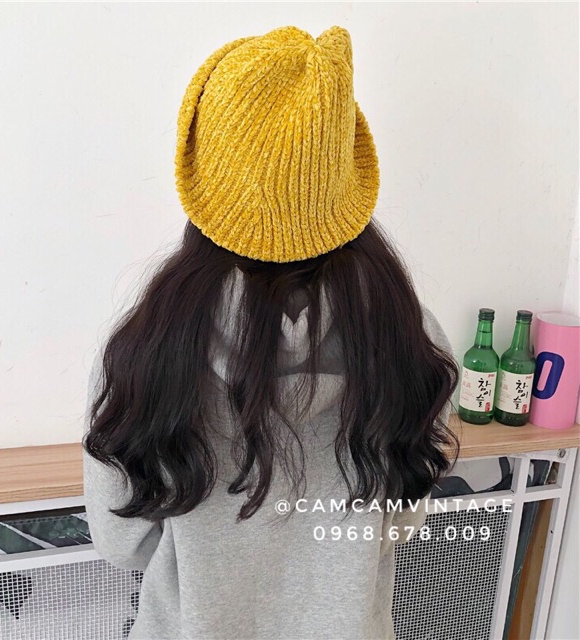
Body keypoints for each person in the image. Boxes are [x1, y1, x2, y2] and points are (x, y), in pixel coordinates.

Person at [82, 24, 461, 640]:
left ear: (207, 181)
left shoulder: (144, 351)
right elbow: (400, 521)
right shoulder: (412, 339)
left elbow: (122, 541)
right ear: (341, 180)